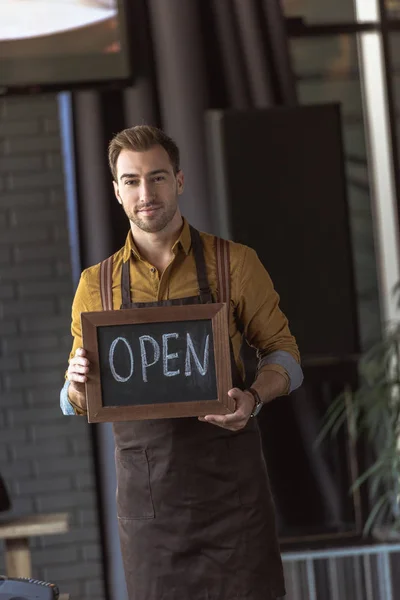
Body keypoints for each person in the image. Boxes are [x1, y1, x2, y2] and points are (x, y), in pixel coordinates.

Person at [60, 125, 303, 600]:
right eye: (131, 181)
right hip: (150, 509)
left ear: (179, 180)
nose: (145, 192)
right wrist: (74, 383)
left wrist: (253, 397)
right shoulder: (96, 285)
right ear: (116, 190)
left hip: (234, 501)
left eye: (157, 177)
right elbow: (76, 402)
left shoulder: (235, 263)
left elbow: (286, 356)